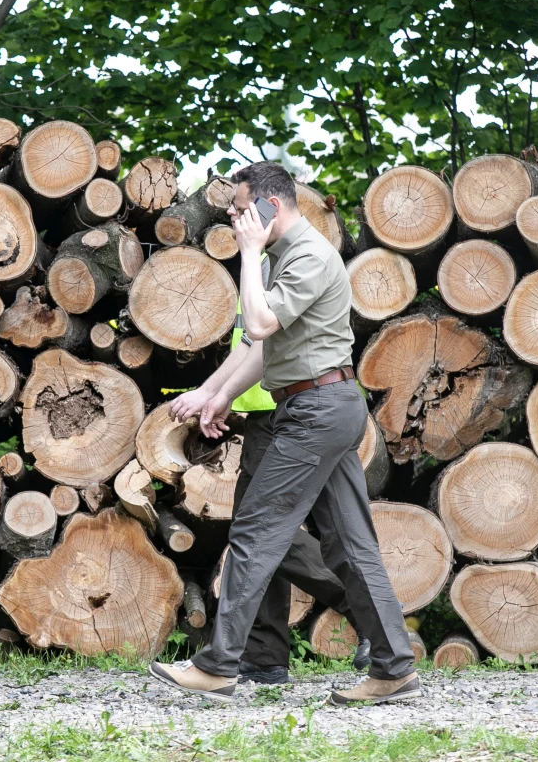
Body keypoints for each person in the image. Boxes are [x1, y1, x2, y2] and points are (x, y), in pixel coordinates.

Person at [149, 162, 418, 705]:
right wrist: (215, 394)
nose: (233, 217)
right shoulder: (284, 256)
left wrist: (249, 254)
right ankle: (394, 669)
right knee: (349, 544)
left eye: (240, 207)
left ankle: (219, 666)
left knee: (255, 531)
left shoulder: (308, 255)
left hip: (317, 411)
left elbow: (260, 324)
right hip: (313, 405)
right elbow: (261, 347)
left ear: (271, 205)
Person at [174, 296, 371, 685]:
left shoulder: (276, 265)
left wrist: (216, 393)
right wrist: (217, 392)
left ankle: (373, 614)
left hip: (291, 408)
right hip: (274, 405)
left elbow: (264, 342)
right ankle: (264, 656)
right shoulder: (258, 268)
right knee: (256, 530)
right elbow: (250, 342)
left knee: (258, 530)